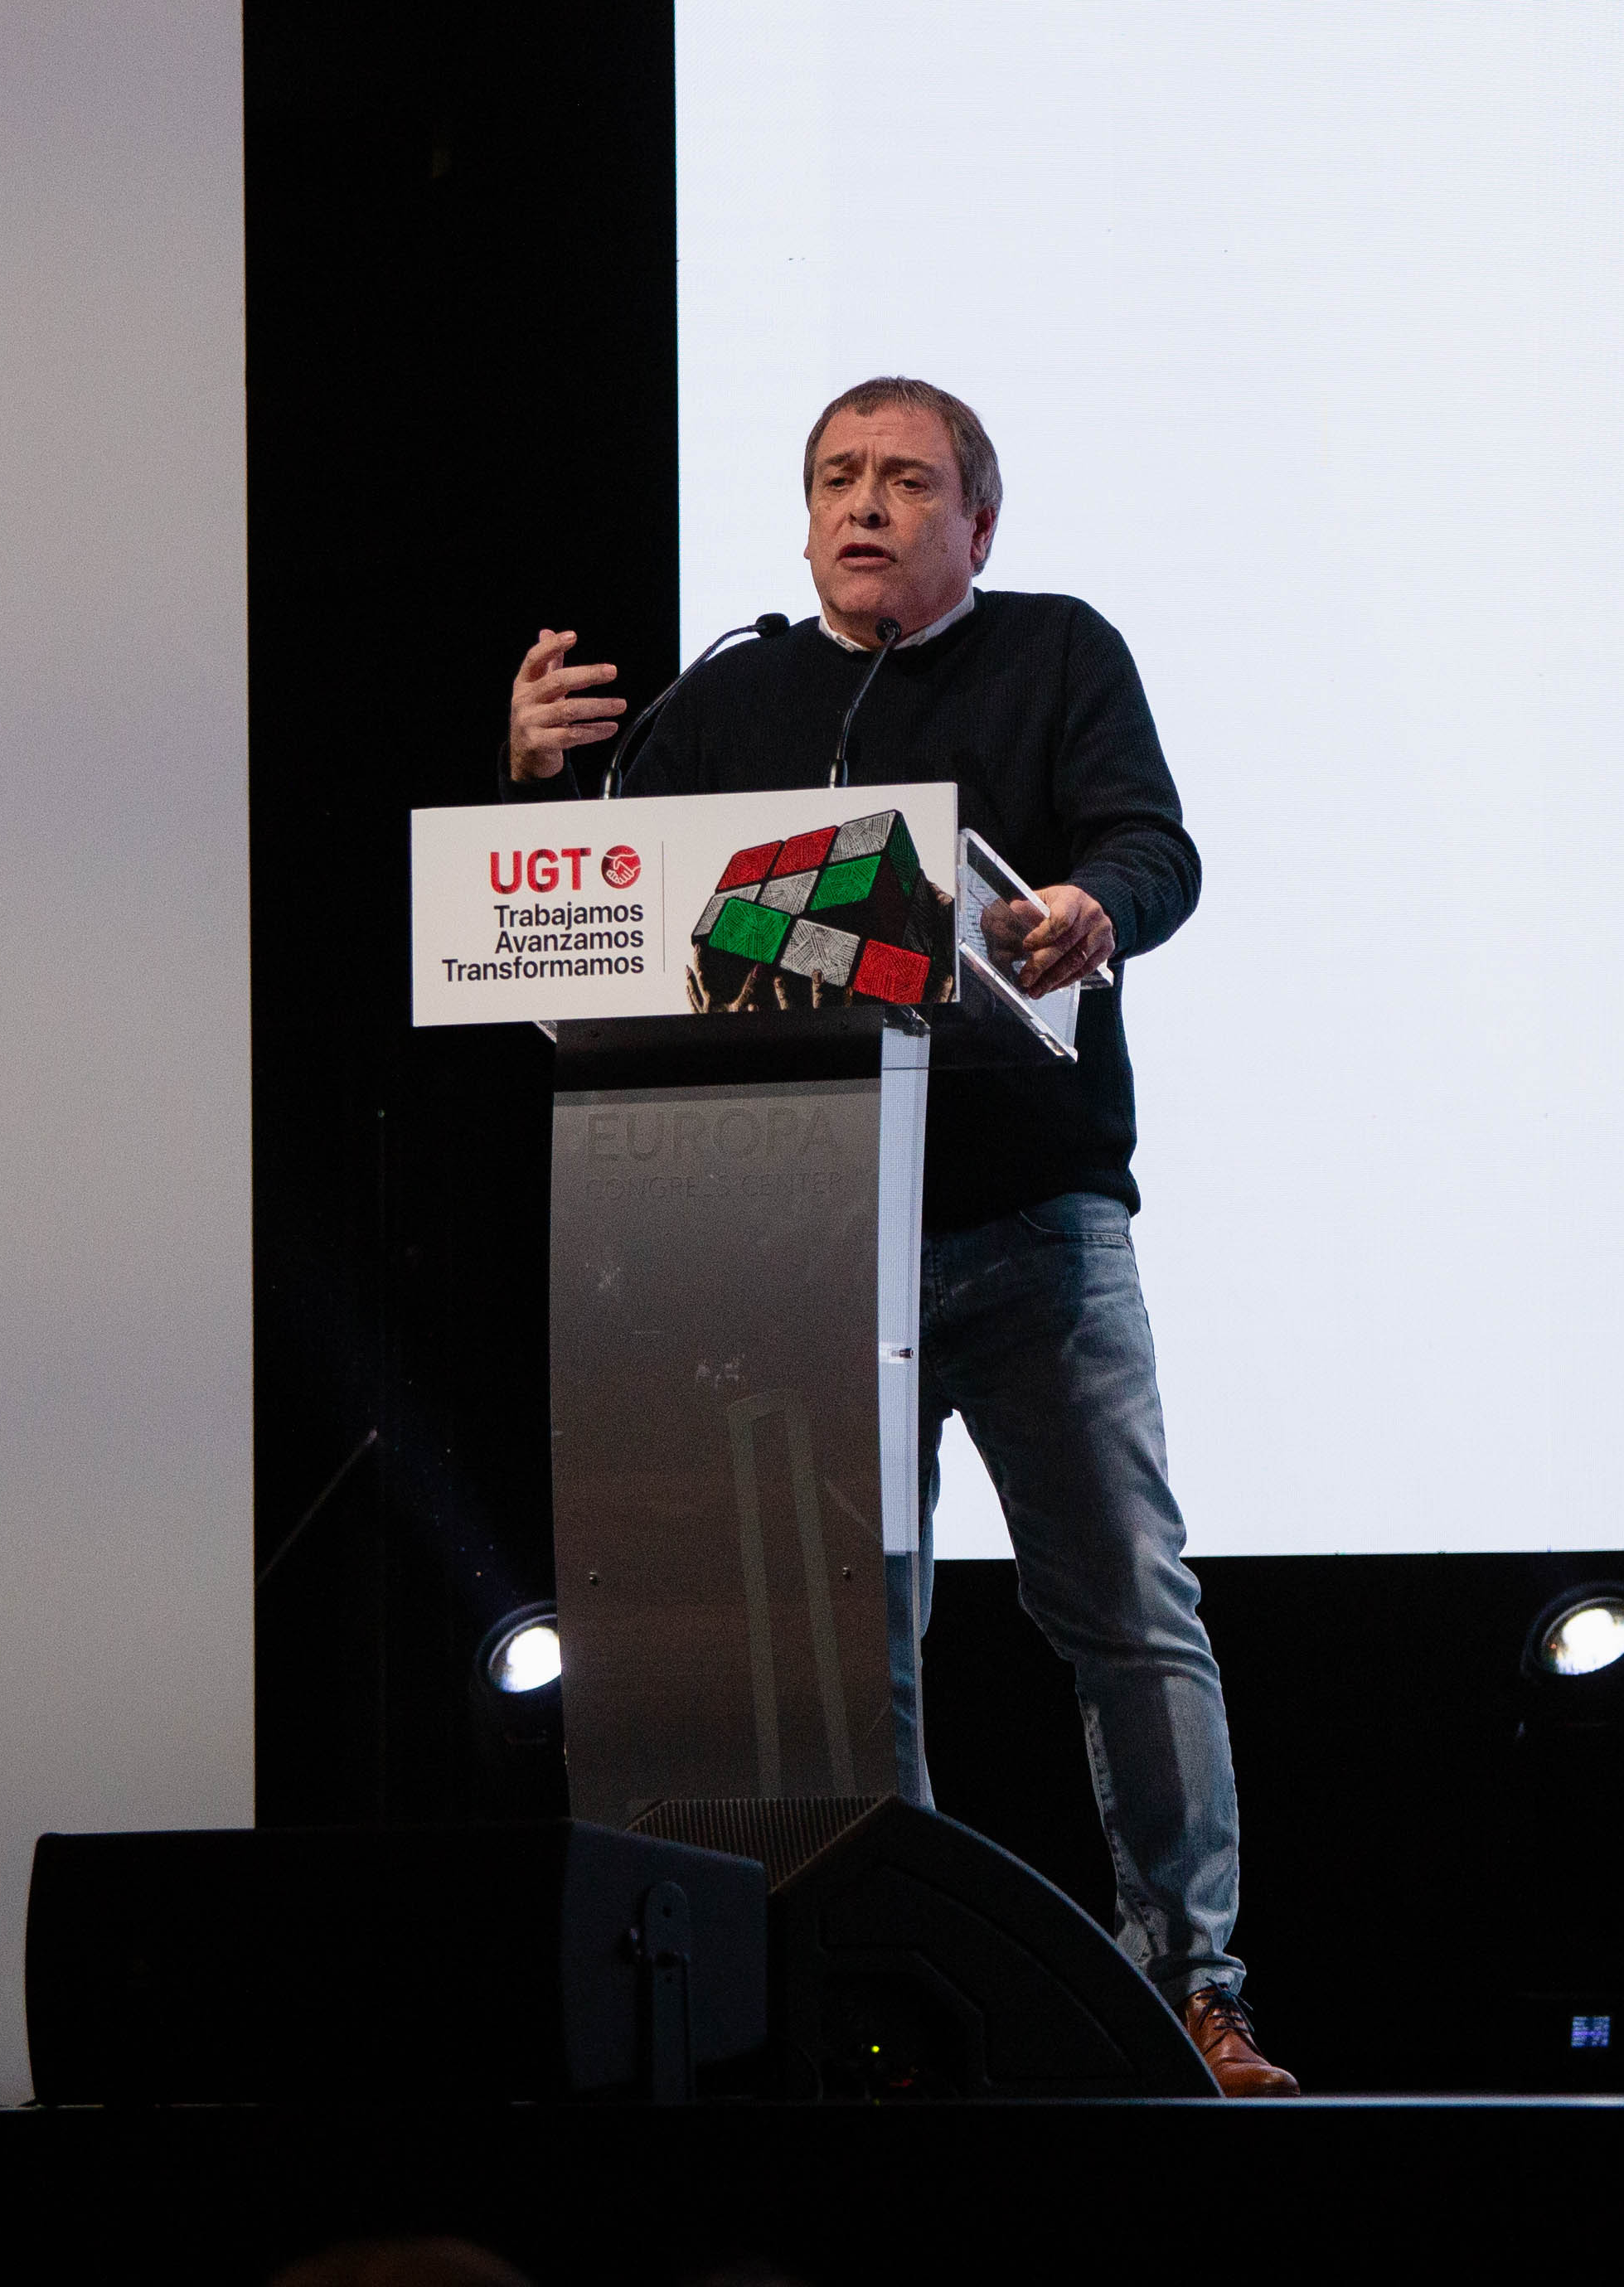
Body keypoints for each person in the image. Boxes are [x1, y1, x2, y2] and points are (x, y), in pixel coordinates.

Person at [502, 374, 1292, 2098]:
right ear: (805, 521)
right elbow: (607, 931)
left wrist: (1094, 907)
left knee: (1131, 1608)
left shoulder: (1057, 652)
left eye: (910, 482)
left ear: (978, 526)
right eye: (839, 478)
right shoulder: (733, 695)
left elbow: (1151, 848)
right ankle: (890, 2005)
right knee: (852, 1656)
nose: (867, 506)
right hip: (798, 1250)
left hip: (1030, 1228)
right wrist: (544, 792)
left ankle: (1195, 1997)